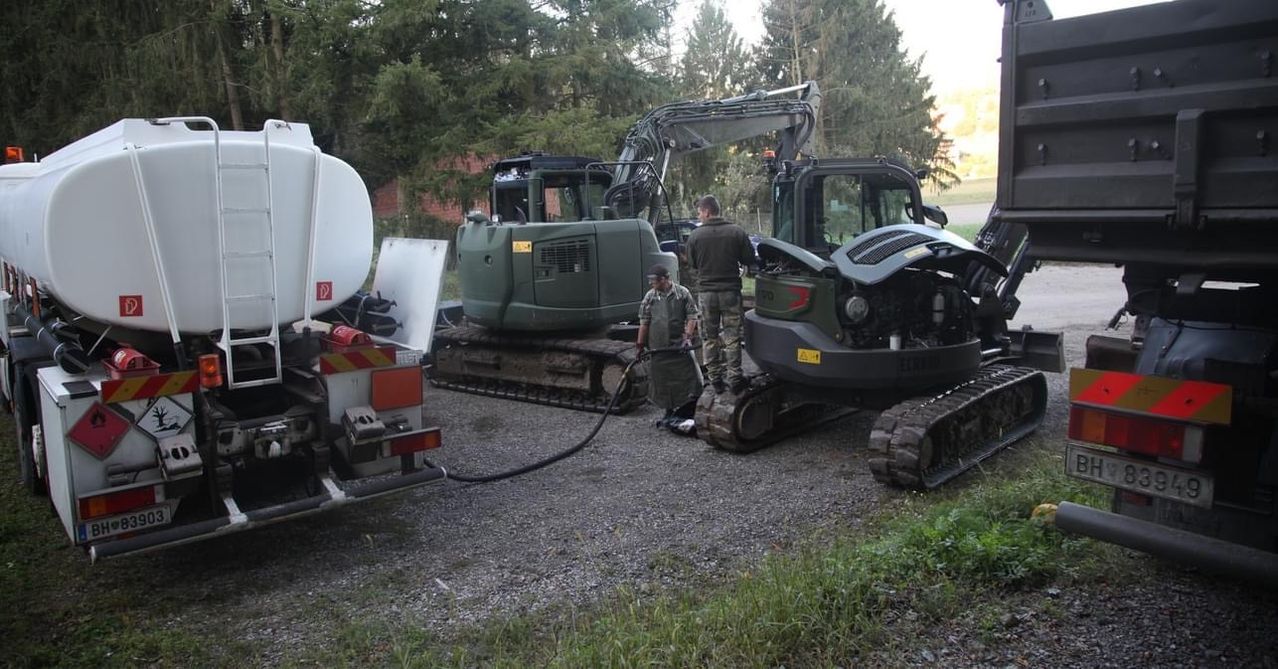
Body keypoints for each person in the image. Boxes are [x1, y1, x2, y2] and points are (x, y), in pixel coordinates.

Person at [686, 194, 756, 394]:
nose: (698, 215)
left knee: (710, 336)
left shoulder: (695, 236)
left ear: (707, 211)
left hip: (707, 293)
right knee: (733, 336)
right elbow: (748, 258)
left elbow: (692, 264)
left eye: (699, 212)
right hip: (730, 292)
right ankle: (735, 378)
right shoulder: (737, 232)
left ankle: (715, 379)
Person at [636, 264, 703, 427]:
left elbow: (692, 316)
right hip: (658, 348)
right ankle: (668, 410)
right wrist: (640, 345)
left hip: (679, 346)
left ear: (665, 279)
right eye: (650, 281)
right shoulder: (650, 297)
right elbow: (644, 323)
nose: (652, 284)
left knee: (690, 377)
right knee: (662, 381)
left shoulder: (682, 293)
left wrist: (687, 336)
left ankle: (692, 407)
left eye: (655, 281)